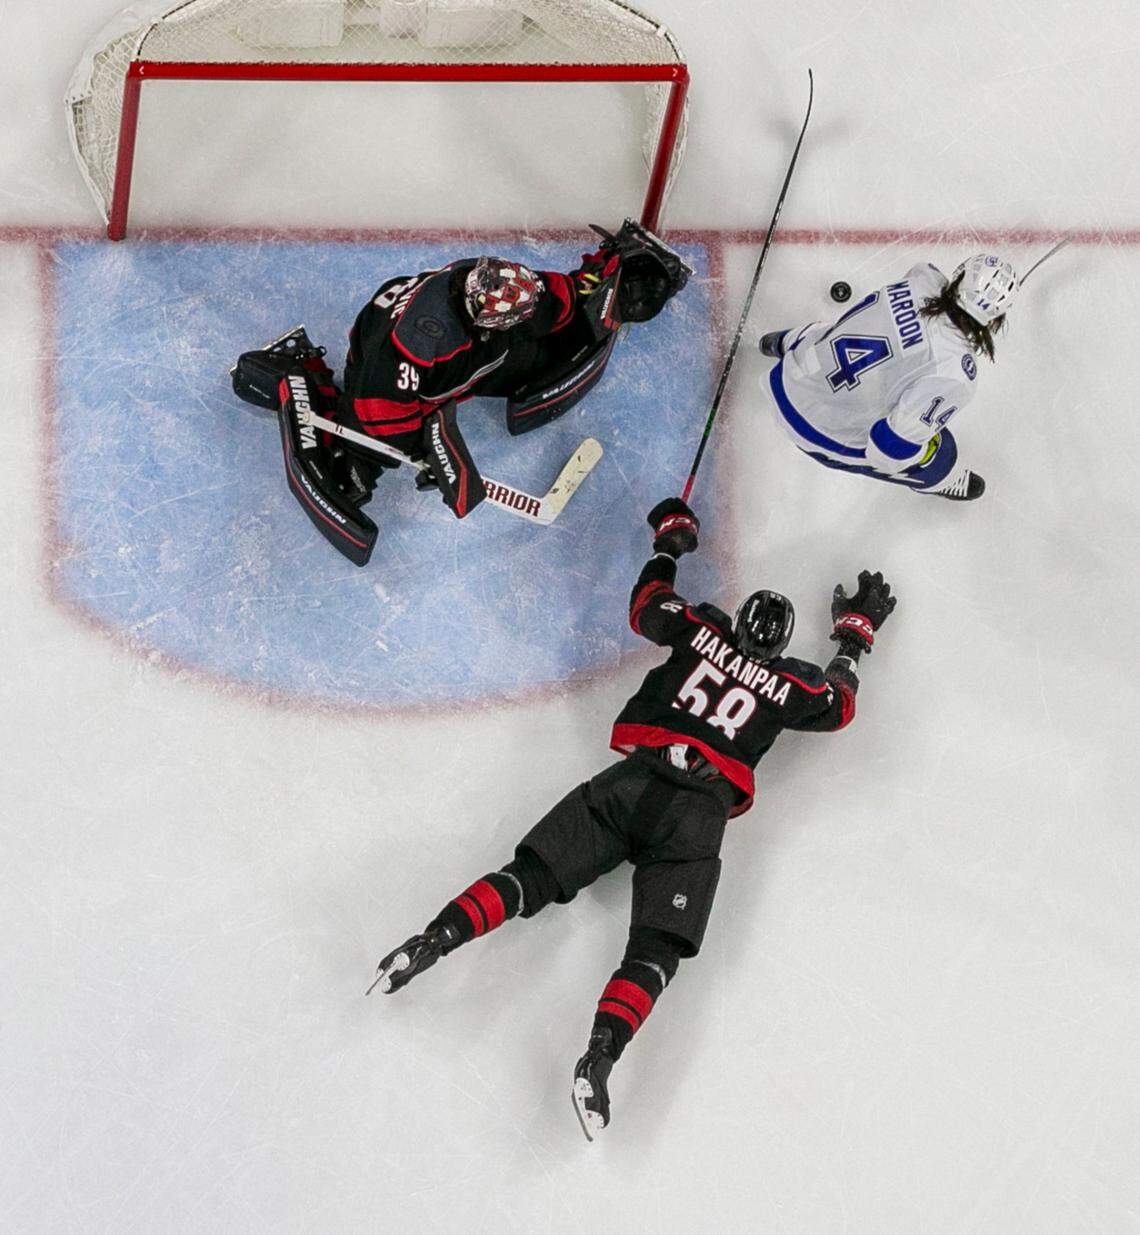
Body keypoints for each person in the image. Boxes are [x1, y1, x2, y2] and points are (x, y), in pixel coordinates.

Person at [368, 497, 897, 1140]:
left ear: (735, 622)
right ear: (781, 645)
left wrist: (671, 540)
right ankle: (600, 1056)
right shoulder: (791, 683)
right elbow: (838, 705)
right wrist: (852, 634)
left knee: (526, 878)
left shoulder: (704, 629)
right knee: (654, 953)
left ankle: (434, 939)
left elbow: (646, 604)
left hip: (634, 781)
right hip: (696, 818)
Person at [230, 223, 690, 561]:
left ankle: (612, 268)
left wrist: (587, 291)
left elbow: (542, 296)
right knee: (373, 448)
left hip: (422, 356)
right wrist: (429, 449)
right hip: (383, 389)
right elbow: (384, 418)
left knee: (555, 327)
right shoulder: (414, 350)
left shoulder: (485, 277)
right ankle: (319, 403)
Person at [758, 254, 1019, 501]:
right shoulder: (955, 374)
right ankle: (942, 478)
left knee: (838, 332)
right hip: (812, 429)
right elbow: (885, 453)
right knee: (939, 449)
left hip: (790, 373)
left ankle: (782, 343)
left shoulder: (922, 278)